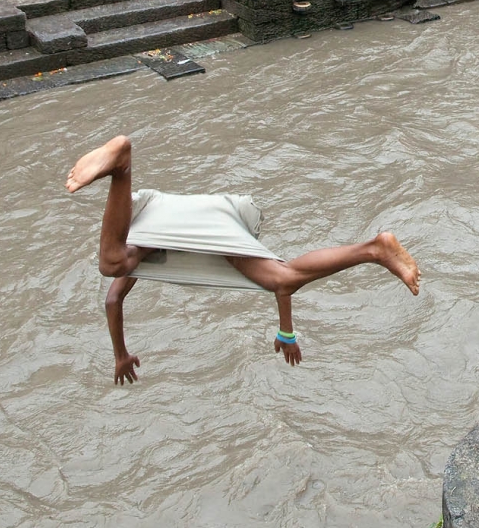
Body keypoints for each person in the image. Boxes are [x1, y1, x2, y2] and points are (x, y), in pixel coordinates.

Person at [64, 135, 421, 383]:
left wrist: (120, 355)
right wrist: (286, 331)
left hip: (183, 217)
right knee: (282, 276)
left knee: (113, 264)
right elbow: (281, 284)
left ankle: (122, 165)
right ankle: (375, 249)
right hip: (195, 213)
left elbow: (113, 297)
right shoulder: (150, 243)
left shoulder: (144, 246)